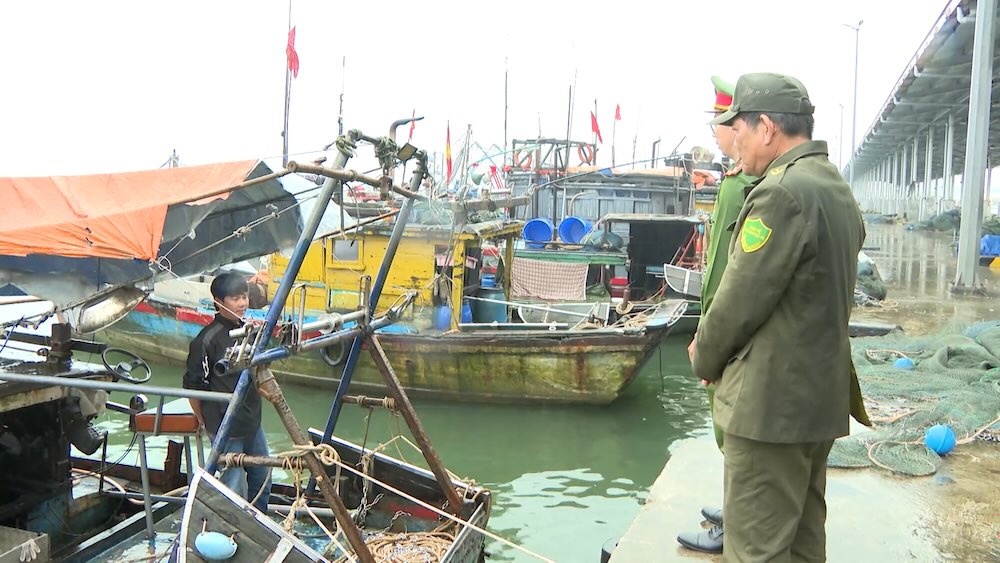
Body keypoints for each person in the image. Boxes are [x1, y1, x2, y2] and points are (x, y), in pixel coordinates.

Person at [690, 72, 870, 560]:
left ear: (766, 127)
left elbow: (738, 303)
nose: (737, 144)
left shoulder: (780, 194)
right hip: (815, 403)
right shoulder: (833, 187)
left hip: (772, 410)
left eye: (740, 130)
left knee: (757, 550)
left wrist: (704, 357)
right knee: (804, 542)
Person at [676, 75, 757, 555]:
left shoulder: (736, 188)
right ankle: (735, 509)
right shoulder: (743, 181)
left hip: (724, 327)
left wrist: (709, 335)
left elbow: (729, 270)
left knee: (729, 427)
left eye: (721, 123)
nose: (715, 131)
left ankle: (736, 524)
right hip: (726, 324)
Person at [182, 272, 271, 513]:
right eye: (235, 299)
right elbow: (193, 386)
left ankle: (262, 521)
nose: (243, 303)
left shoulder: (249, 332)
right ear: (219, 302)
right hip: (224, 423)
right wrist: (203, 420)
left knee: (262, 476)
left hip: (252, 420)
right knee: (232, 482)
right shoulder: (205, 341)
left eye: (244, 297)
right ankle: (235, 528)